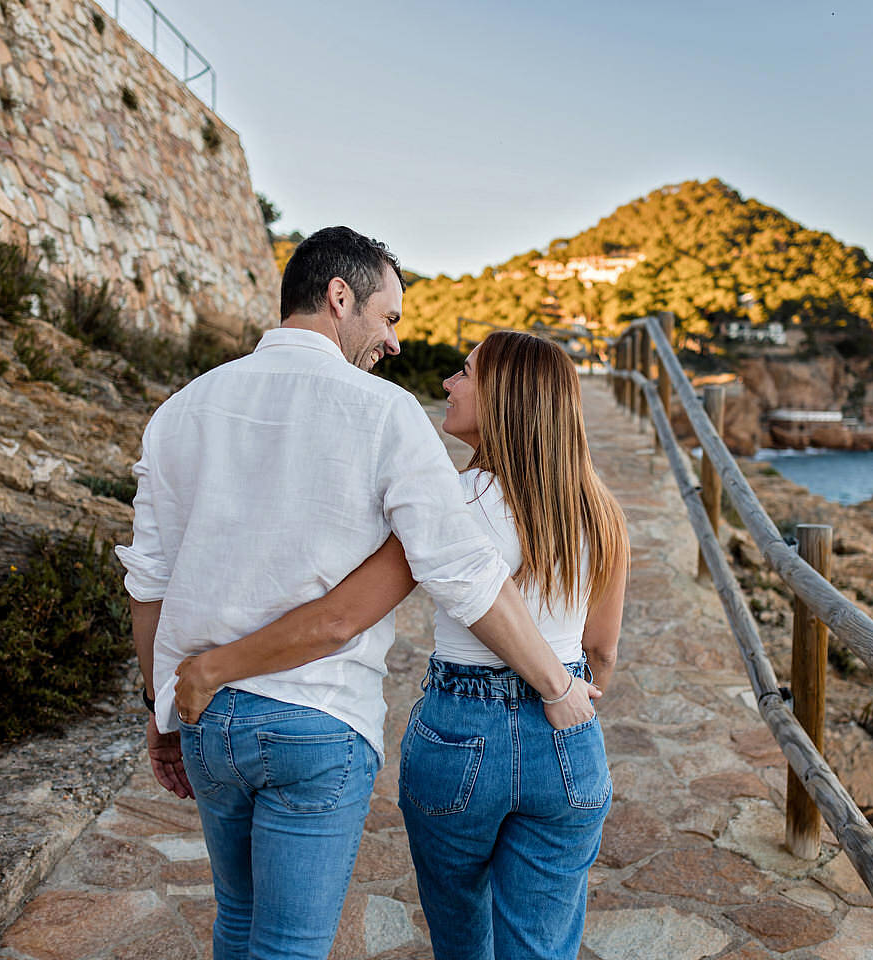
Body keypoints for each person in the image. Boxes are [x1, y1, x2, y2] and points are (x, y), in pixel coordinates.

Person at [116, 227, 596, 960]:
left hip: (206, 714)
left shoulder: (183, 408)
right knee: (289, 946)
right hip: (317, 717)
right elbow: (461, 572)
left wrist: (160, 711)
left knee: (237, 924)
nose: (396, 343)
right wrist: (555, 686)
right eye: (390, 317)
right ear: (340, 297)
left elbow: (148, 583)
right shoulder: (384, 413)